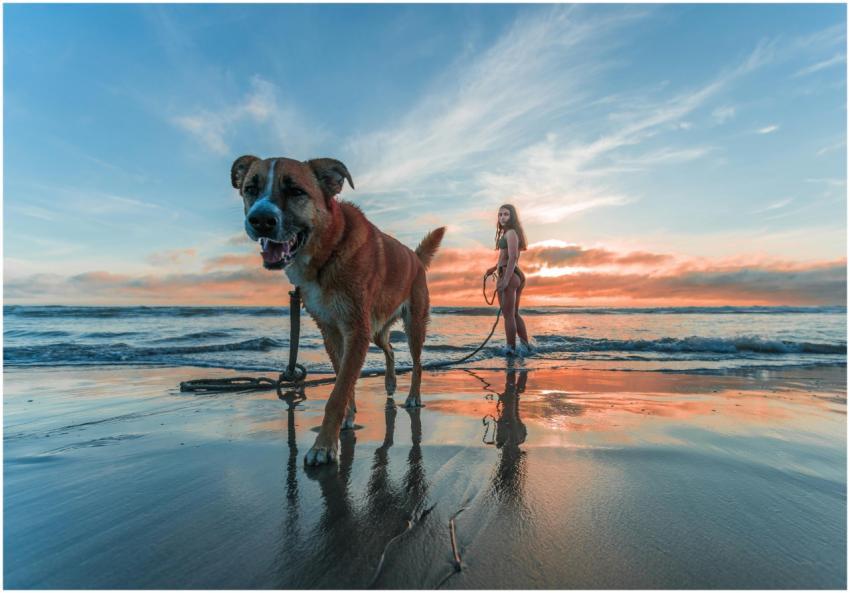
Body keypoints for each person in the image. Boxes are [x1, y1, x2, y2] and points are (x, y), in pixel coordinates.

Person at [485, 204, 531, 355]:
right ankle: (526, 347)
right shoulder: (509, 233)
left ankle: (510, 349)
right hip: (512, 274)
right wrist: (493, 268)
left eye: (506, 214)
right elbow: (504, 257)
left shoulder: (511, 233)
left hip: (509, 275)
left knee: (508, 315)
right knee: (514, 314)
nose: (502, 217)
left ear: (512, 217)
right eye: (500, 214)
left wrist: (505, 280)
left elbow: (513, 257)